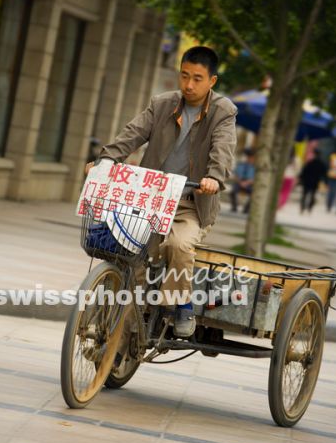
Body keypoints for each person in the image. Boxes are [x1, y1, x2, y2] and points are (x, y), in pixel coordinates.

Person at [85, 46, 237, 337]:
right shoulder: (162, 103)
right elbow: (132, 134)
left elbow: (223, 149)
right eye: (184, 76)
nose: (189, 85)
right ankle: (129, 325)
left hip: (192, 201)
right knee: (131, 253)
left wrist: (214, 178)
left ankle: (181, 304)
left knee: (178, 246)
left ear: (212, 81)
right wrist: (105, 161)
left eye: (197, 78)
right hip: (152, 198)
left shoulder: (223, 112)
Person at [229, 148, 255, 213]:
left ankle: (246, 210)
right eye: (248, 157)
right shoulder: (240, 165)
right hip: (239, 182)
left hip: (249, 184)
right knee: (233, 192)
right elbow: (235, 175)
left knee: (254, 194)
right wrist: (240, 182)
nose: (249, 159)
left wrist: (247, 183)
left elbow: (255, 179)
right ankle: (234, 207)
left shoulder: (255, 167)